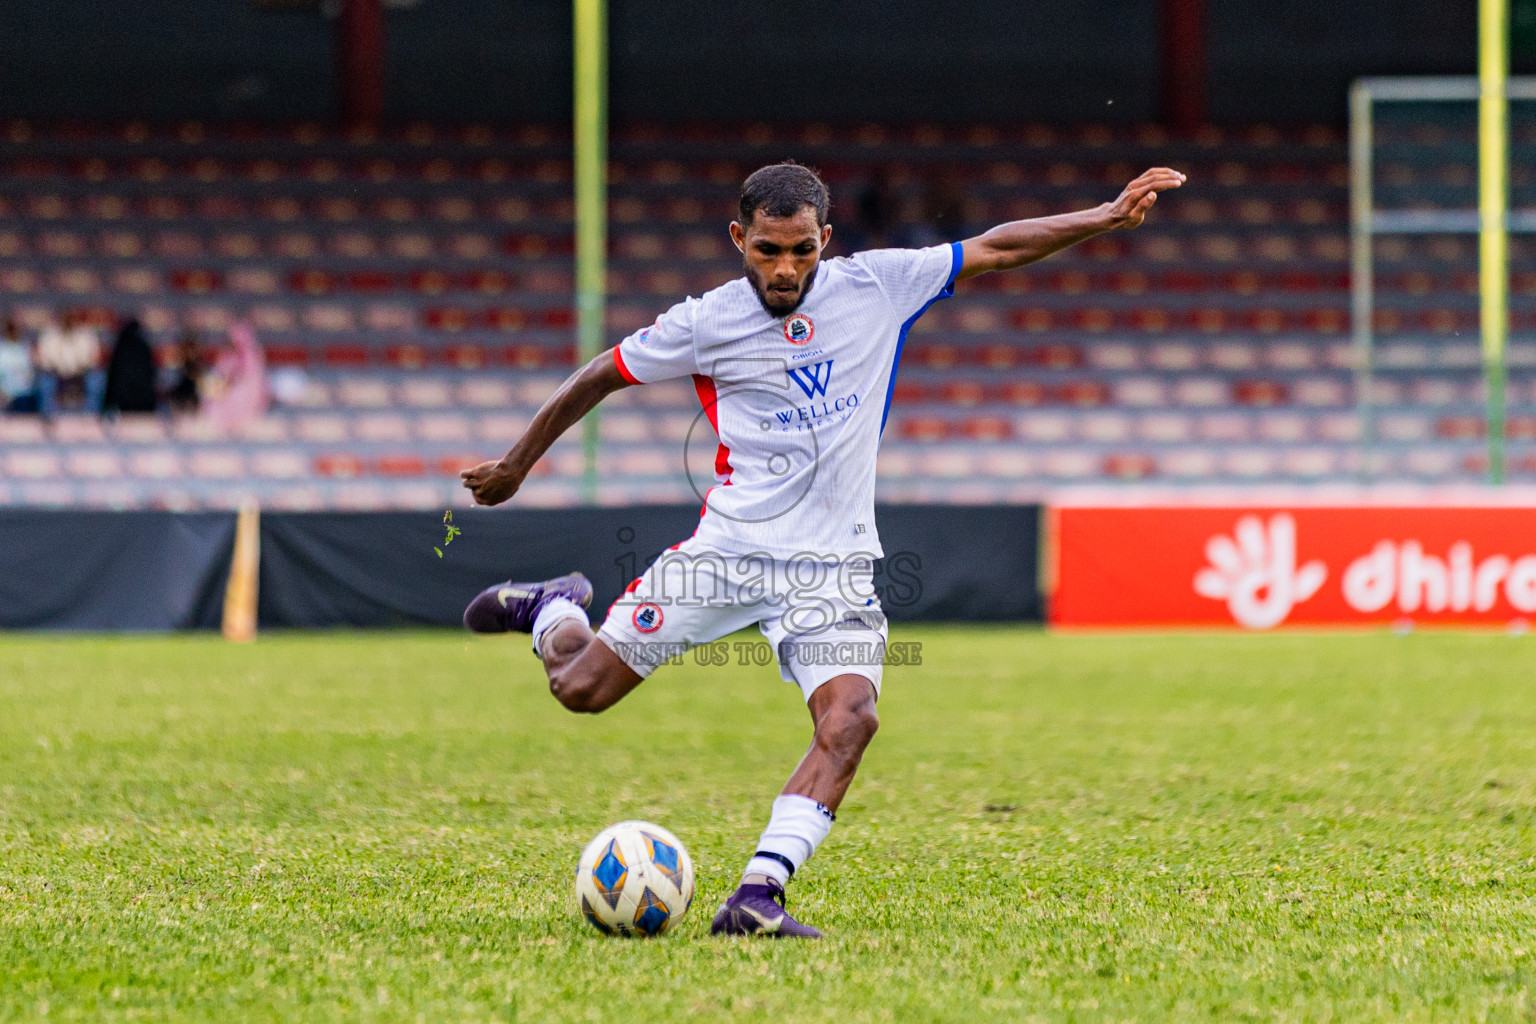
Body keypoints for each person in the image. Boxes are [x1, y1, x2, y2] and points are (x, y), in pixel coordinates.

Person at [459, 161, 1185, 938]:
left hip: (832, 569)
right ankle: (553, 608)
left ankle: (757, 896)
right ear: (739, 238)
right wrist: (516, 464)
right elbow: (601, 375)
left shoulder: (875, 286)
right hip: (730, 553)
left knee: (852, 718)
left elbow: (996, 248)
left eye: (801, 250)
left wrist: (1104, 216)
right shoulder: (706, 321)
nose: (785, 268)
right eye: (768, 250)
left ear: (825, 240)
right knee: (580, 689)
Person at [202, 321, 269, 432]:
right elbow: (212, 390)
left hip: (247, 413)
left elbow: (258, 386)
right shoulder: (224, 360)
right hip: (221, 416)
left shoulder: (253, 364)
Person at [35, 310, 105, 416]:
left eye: (70, 318)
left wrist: (77, 368)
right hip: (56, 375)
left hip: (80, 374)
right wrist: (60, 369)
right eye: (64, 318)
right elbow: (44, 361)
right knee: (45, 380)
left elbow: (92, 360)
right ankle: (49, 418)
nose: (67, 321)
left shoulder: (85, 334)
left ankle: (90, 417)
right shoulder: (50, 335)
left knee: (96, 378)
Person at [102, 318, 159, 415]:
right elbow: (151, 372)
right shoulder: (143, 346)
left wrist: (108, 401)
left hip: (126, 398)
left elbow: (113, 375)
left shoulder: (121, 346)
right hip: (142, 398)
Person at [0, 317, 38, 413]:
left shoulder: (25, 347)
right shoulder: (2, 349)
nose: (14, 333)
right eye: (11, 330)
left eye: (16, 330)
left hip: (25, 393)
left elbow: (31, 371)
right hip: (6, 395)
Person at [165, 331, 204, 414]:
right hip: (183, 392)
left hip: (192, 392)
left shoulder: (196, 363)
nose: (190, 352)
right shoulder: (179, 364)